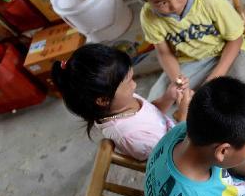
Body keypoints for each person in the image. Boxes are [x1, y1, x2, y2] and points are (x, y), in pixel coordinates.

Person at [51, 43, 191, 161]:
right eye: (129, 81)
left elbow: (152, 113)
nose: (135, 85)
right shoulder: (131, 136)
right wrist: (183, 115)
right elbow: (175, 160)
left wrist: (169, 96)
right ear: (103, 100)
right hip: (180, 158)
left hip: (179, 137)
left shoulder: (120, 102)